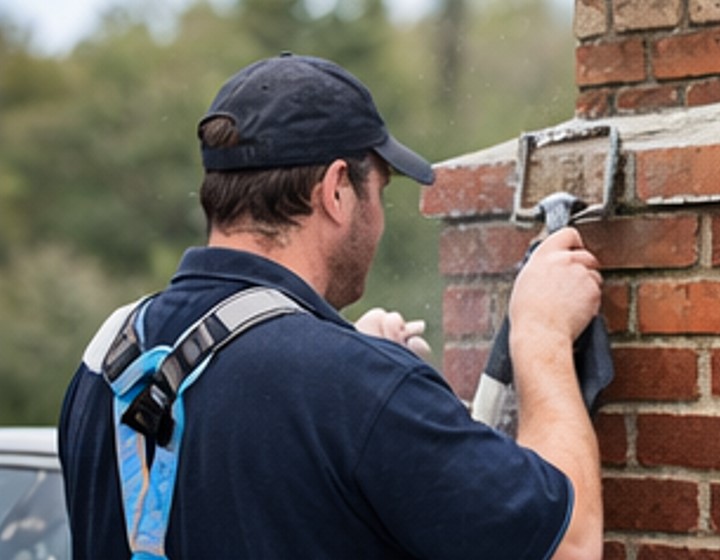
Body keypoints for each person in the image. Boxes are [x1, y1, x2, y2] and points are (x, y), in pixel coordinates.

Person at [58, 52, 604, 560]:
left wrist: (347, 364)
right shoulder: (356, 386)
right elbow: (572, 545)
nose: (381, 219)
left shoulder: (107, 355)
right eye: (381, 191)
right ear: (337, 189)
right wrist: (542, 337)